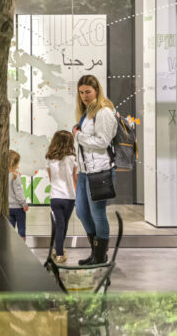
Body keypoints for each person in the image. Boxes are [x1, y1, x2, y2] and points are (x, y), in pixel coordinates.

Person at [72, 74, 117, 265]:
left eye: (88, 92)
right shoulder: (87, 112)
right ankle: (95, 252)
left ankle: (100, 256)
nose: (84, 95)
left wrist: (78, 136)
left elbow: (102, 142)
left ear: (96, 90)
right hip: (85, 171)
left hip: (100, 170)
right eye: (81, 92)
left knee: (98, 213)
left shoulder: (104, 112)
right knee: (82, 212)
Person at [47, 130, 78, 264]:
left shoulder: (49, 157)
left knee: (59, 225)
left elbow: (50, 177)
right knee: (63, 225)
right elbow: (74, 178)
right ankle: (59, 253)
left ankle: (58, 250)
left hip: (55, 196)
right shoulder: (72, 158)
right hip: (69, 197)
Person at [8, 150, 28, 241]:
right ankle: (22, 247)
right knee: (21, 229)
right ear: (15, 164)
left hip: (8, 207)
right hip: (18, 208)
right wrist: (24, 204)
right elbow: (19, 192)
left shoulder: (3, 176)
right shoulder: (15, 176)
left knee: (9, 230)